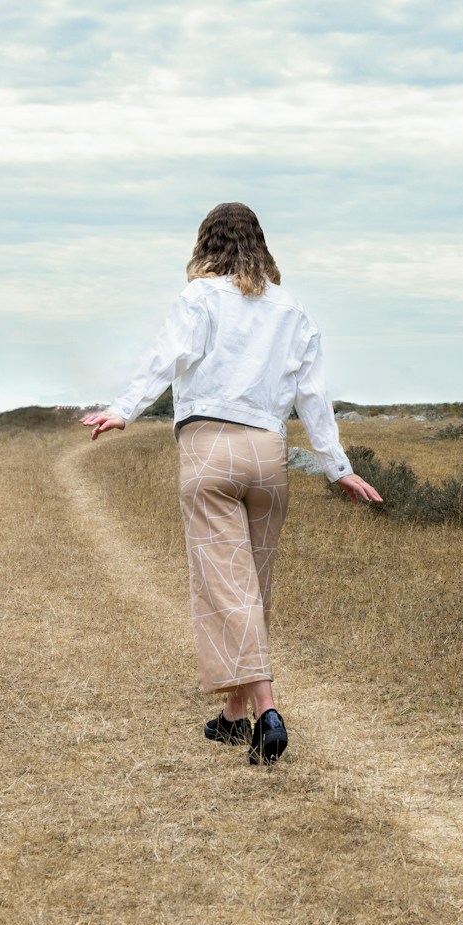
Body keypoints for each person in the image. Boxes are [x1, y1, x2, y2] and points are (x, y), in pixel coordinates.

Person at [81, 202, 382, 765]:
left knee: (225, 585)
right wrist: (337, 466)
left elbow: (167, 357)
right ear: (260, 244)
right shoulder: (294, 311)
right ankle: (233, 718)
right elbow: (313, 396)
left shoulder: (200, 297)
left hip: (210, 450)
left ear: (206, 244)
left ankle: (266, 710)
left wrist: (124, 408)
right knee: (251, 586)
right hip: (269, 455)